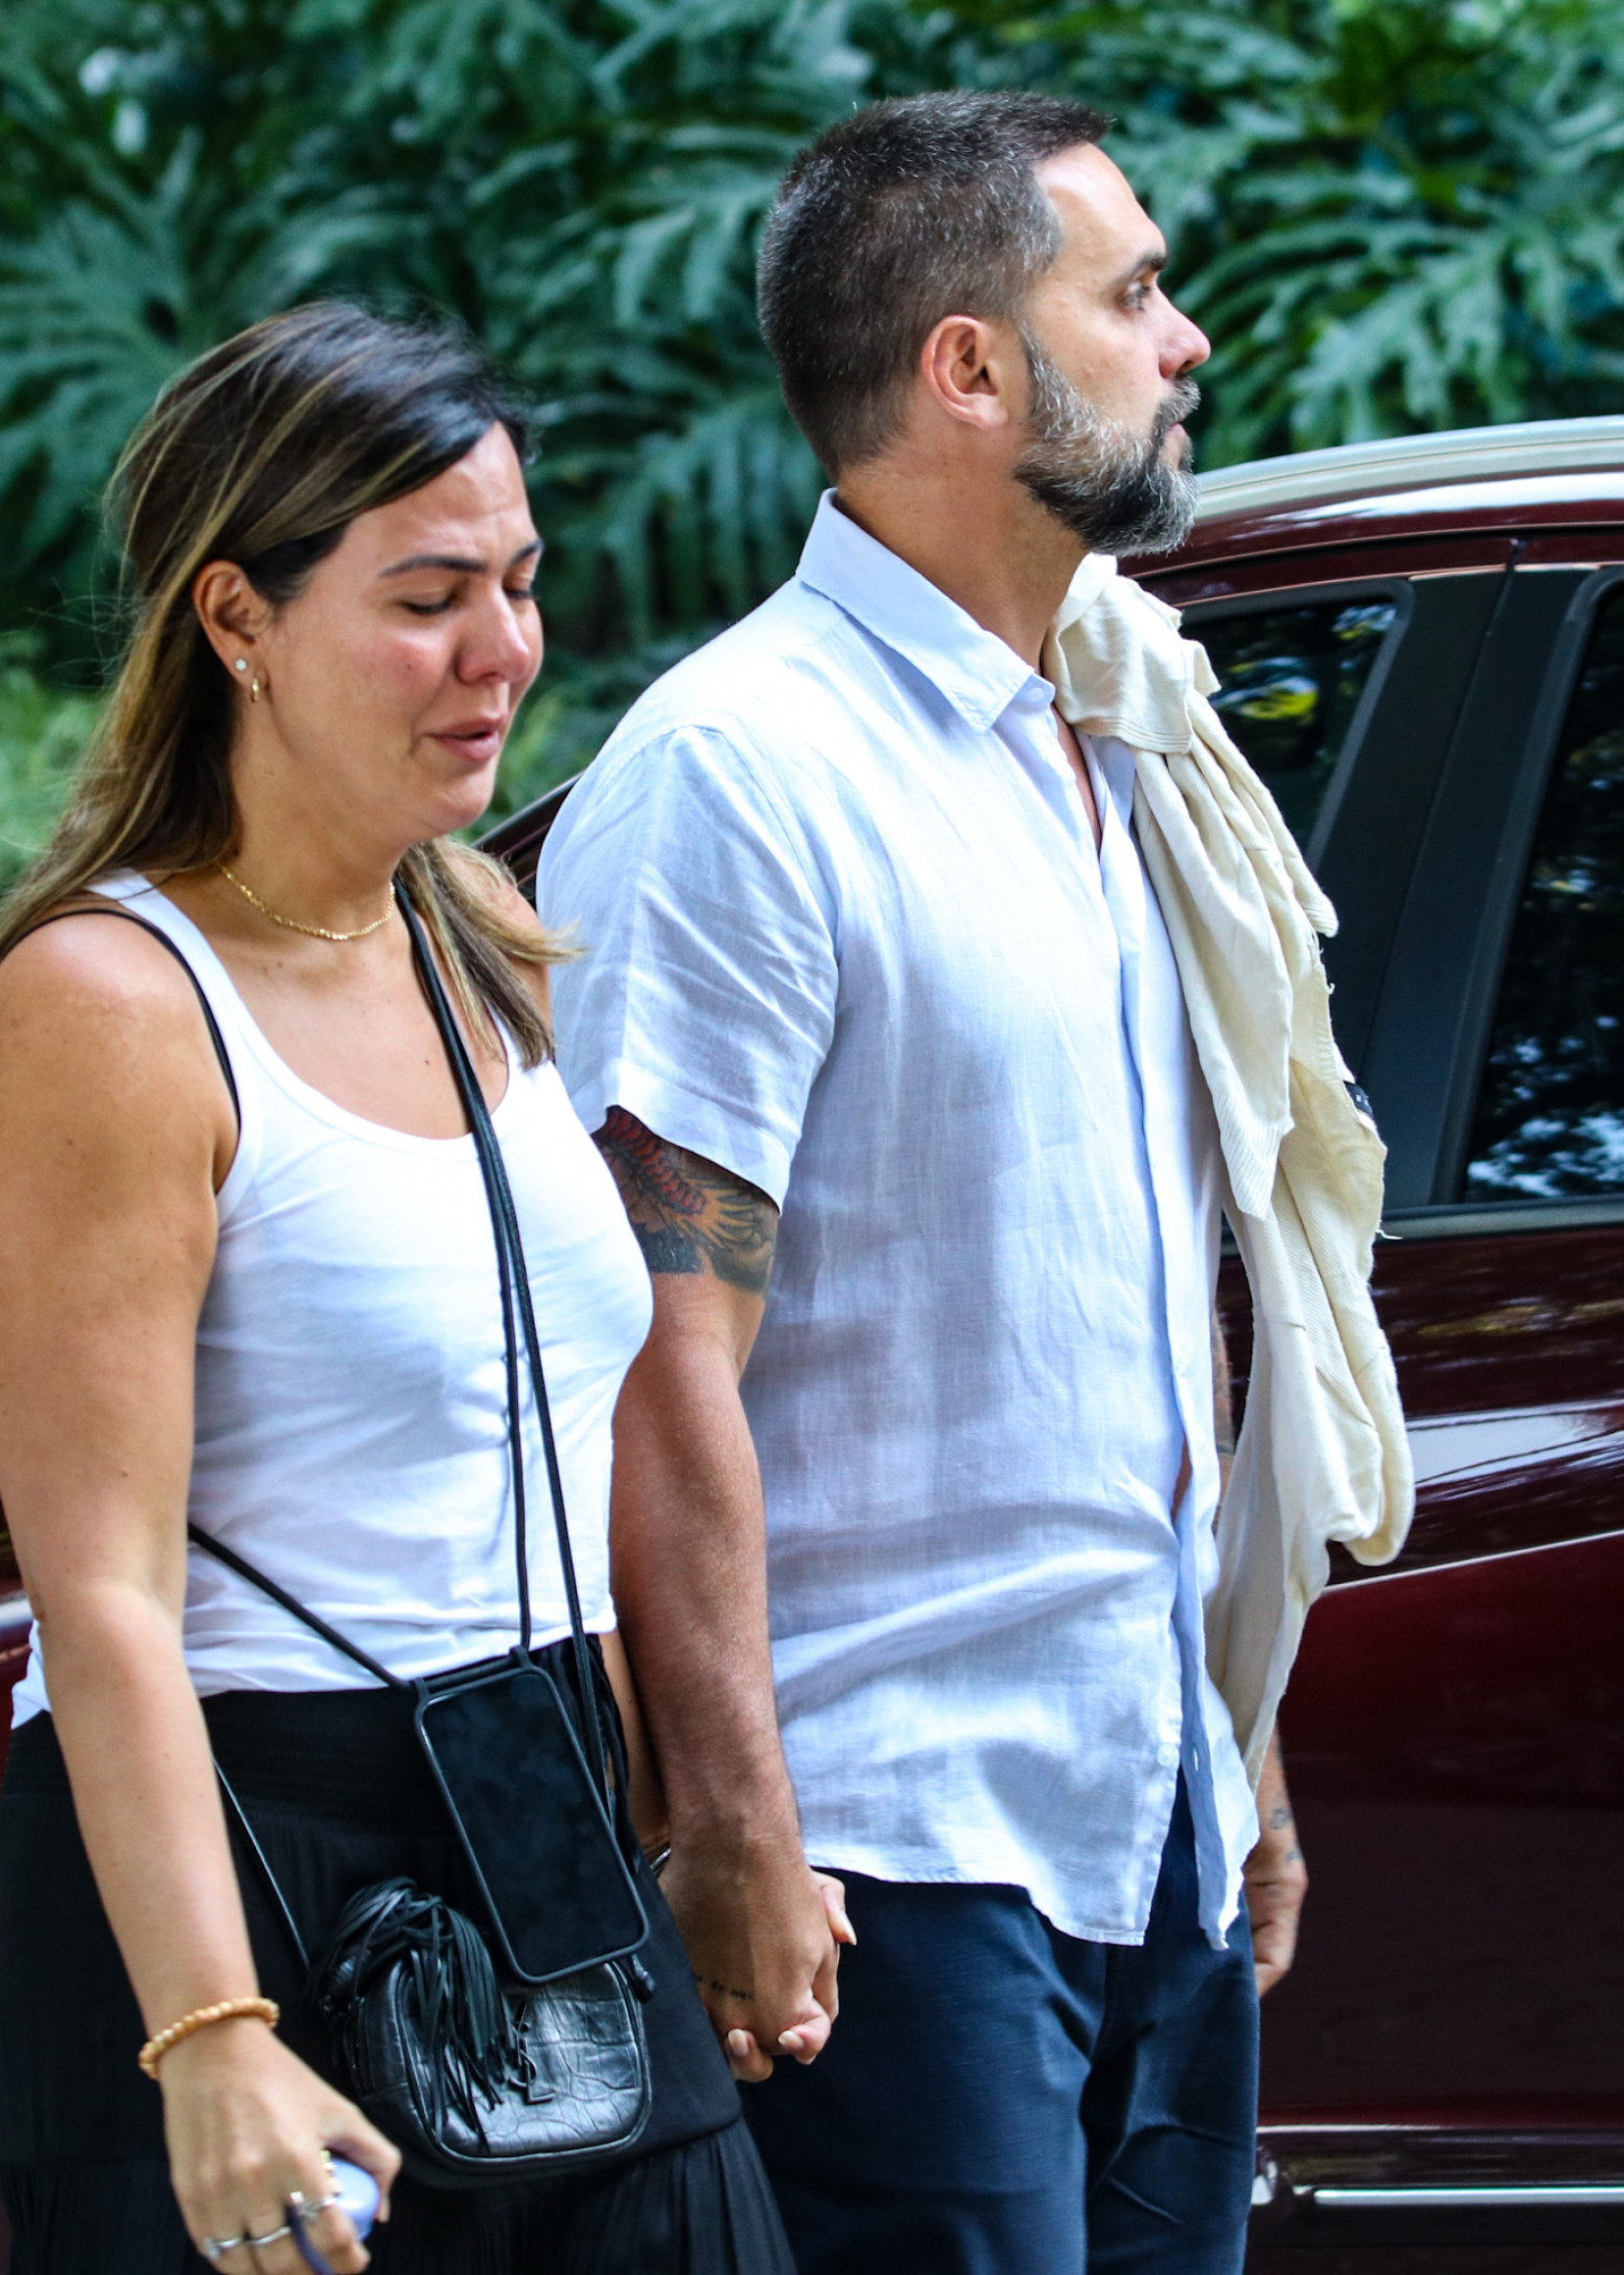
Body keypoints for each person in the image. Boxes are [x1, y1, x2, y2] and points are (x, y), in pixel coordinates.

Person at [537, 91, 1410, 2275]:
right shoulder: (746, 774)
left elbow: (1118, 1317)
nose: (1184, 337)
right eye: (1128, 293)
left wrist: (1234, 1733)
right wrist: (730, 1821)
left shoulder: (1104, 743)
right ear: (969, 370)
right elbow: (658, 1349)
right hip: (891, 1850)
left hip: (1142, 1813)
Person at [0, 303, 801, 2275]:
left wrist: (704, 1805)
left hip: (541, 1813)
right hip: (249, 1860)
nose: (504, 649)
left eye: (516, 580)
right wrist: (208, 2032)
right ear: (236, 617)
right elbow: (99, 1595)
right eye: (426, 598)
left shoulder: (476, 925)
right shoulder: (110, 1006)